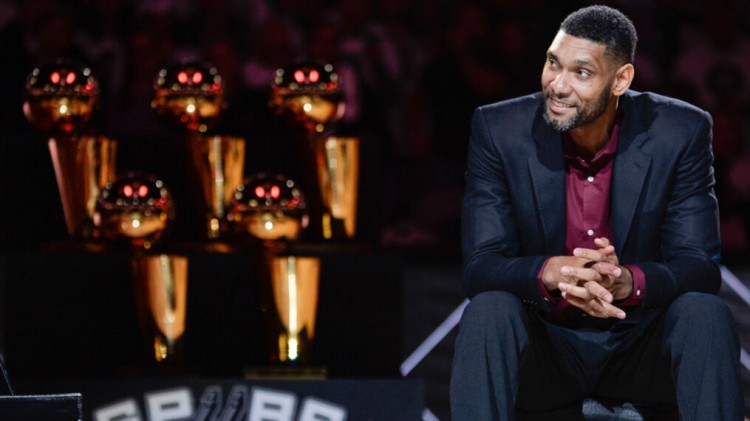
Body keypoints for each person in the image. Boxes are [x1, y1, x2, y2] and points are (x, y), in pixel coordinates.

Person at [450, 5, 744, 420]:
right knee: (488, 310)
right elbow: (481, 266)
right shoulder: (499, 129)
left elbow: (699, 267)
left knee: (706, 314)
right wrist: (551, 271)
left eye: (582, 72)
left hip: (639, 345)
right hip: (545, 351)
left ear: (621, 80)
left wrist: (628, 282)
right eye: (553, 63)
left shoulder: (679, 131)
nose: (558, 85)